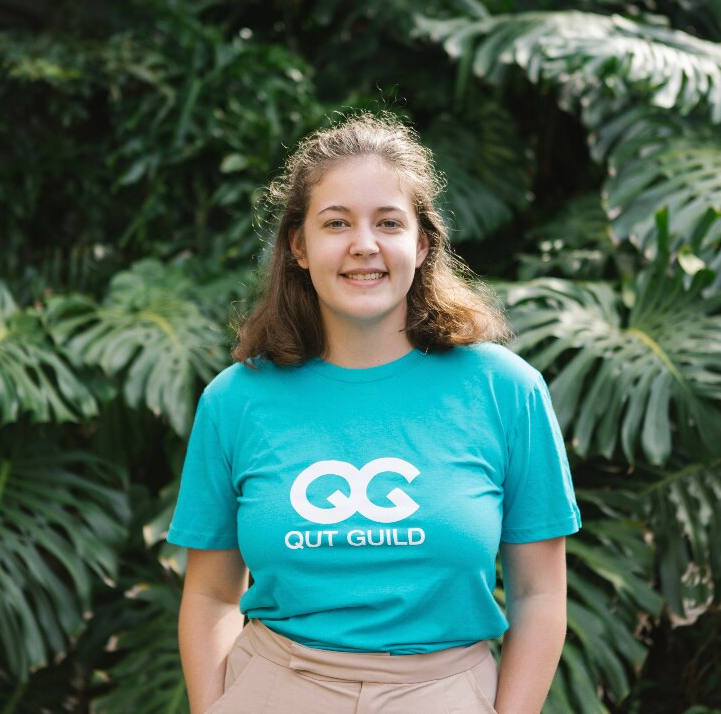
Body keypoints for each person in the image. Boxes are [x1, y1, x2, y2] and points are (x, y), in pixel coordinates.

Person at [167, 112, 581, 714]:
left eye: (388, 222)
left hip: (445, 694)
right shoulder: (235, 400)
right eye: (336, 223)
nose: (364, 244)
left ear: (422, 243)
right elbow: (209, 596)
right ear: (299, 246)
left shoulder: (505, 391)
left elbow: (539, 595)